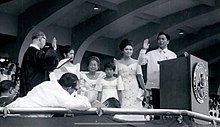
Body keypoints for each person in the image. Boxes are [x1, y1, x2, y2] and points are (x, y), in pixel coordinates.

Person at [7, 73, 91, 111]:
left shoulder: (47, 83)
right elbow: (86, 105)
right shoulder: (61, 95)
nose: (75, 91)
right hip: (24, 115)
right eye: (76, 89)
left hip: (14, 106)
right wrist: (81, 97)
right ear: (69, 88)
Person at [138, 32, 177, 110]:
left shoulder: (173, 55)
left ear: (168, 41)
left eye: (163, 39)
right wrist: (144, 49)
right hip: (154, 85)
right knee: (156, 108)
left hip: (167, 85)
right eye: (159, 39)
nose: (161, 41)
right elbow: (140, 62)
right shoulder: (151, 53)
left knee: (167, 108)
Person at [114, 39, 147, 121]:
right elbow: (115, 77)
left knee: (135, 107)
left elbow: (140, 77)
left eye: (130, 49)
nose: (128, 51)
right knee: (123, 106)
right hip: (122, 87)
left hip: (133, 87)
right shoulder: (117, 62)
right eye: (126, 49)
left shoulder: (137, 62)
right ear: (122, 50)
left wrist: (145, 90)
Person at [20, 31, 59, 97]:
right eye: (45, 40)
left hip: (28, 85)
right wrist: (54, 50)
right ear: (41, 39)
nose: (45, 42)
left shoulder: (29, 52)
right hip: (35, 87)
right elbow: (49, 64)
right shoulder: (36, 52)